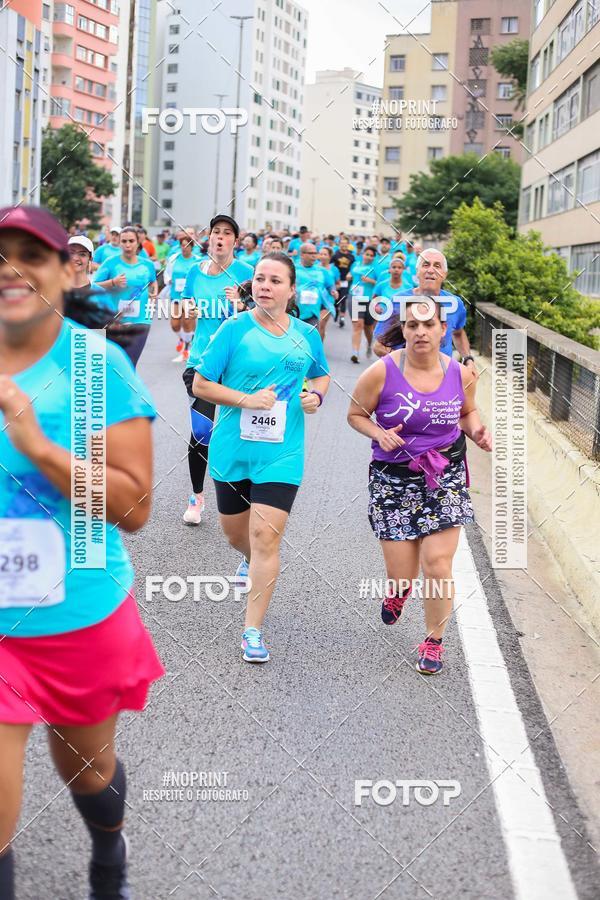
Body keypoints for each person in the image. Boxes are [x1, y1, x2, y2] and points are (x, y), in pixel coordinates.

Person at [0, 205, 164, 900]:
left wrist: (38, 445)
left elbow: (134, 507)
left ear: (68, 272)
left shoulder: (93, 368)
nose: (10, 271)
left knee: (90, 775)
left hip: (76, 613)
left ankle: (108, 853)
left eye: (30, 256)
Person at [192, 252, 330, 662]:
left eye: (274, 280)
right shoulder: (233, 330)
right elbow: (201, 384)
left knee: (266, 536)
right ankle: (252, 563)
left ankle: (252, 631)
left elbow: (320, 373)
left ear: (291, 289)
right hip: (233, 449)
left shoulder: (306, 335)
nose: (265, 286)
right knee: (238, 535)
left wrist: (315, 395)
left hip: (282, 451)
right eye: (259, 279)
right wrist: (246, 399)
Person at [348, 296, 491, 675]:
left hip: (444, 476)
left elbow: (467, 411)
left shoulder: (460, 373)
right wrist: (378, 431)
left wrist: (475, 430)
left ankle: (433, 640)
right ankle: (399, 592)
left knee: (438, 563)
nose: (421, 332)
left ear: (443, 330)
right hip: (392, 481)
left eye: (429, 325)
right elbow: (355, 415)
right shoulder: (380, 372)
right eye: (413, 325)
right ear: (405, 331)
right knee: (402, 573)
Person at [180, 215, 253, 525]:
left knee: (238, 432)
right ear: (208, 239)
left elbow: (262, 318)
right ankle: (197, 497)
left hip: (237, 366)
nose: (220, 237)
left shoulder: (247, 273)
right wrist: (187, 313)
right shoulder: (193, 275)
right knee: (201, 431)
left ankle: (243, 497)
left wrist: (241, 304)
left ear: (235, 241)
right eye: (215, 233)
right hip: (201, 363)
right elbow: (180, 322)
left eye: (227, 233)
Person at [372, 249, 475, 370]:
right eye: (425, 265)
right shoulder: (397, 301)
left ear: (444, 274)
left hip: (441, 377)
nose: (431, 270)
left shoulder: (455, 304)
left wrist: (468, 360)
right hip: (403, 377)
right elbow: (378, 346)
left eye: (437, 266)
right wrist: (406, 362)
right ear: (417, 271)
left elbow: (458, 333)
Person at [93, 226, 158, 368]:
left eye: (131, 241)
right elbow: (94, 285)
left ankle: (128, 389)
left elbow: (152, 281)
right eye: (124, 241)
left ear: (138, 242)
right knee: (113, 365)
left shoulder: (147, 264)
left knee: (129, 364)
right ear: (120, 243)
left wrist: (154, 291)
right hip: (115, 321)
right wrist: (113, 282)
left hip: (141, 319)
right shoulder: (111, 262)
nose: (128, 245)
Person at [169, 232, 199, 363]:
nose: (184, 247)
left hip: (190, 298)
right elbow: (167, 274)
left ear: (191, 246)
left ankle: (186, 350)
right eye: (182, 245)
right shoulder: (174, 259)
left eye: (187, 245)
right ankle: (184, 339)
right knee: (175, 324)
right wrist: (168, 280)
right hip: (175, 295)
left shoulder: (197, 261)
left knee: (187, 323)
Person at [349, 245, 378, 363]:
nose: (369, 257)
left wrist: (370, 281)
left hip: (369, 299)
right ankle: (355, 352)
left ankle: (370, 344)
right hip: (355, 297)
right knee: (358, 325)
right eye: (367, 254)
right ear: (363, 255)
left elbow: (380, 283)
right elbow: (351, 274)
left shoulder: (376, 268)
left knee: (368, 327)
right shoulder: (355, 264)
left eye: (372, 255)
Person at [294, 242, 333, 330]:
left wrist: (333, 291)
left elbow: (330, 285)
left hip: (313, 312)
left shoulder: (322, 271)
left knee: (312, 338)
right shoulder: (293, 268)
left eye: (315, 253)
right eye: (311, 253)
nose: (314, 256)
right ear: (302, 254)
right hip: (295, 311)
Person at [331, 236, 355, 328]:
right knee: (336, 298)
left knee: (344, 298)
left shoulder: (351, 256)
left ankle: (342, 318)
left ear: (348, 244)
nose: (344, 245)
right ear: (339, 244)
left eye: (346, 243)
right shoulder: (335, 255)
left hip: (346, 280)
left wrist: (351, 273)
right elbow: (330, 266)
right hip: (336, 281)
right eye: (342, 243)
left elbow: (354, 267)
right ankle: (336, 310)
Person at [317, 246, 340, 342]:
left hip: (328, 300)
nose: (322, 256)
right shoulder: (315, 267)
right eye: (320, 254)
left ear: (330, 256)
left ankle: (319, 350)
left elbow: (338, 284)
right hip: (316, 299)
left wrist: (334, 290)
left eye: (325, 254)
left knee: (321, 323)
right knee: (315, 326)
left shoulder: (334, 269)